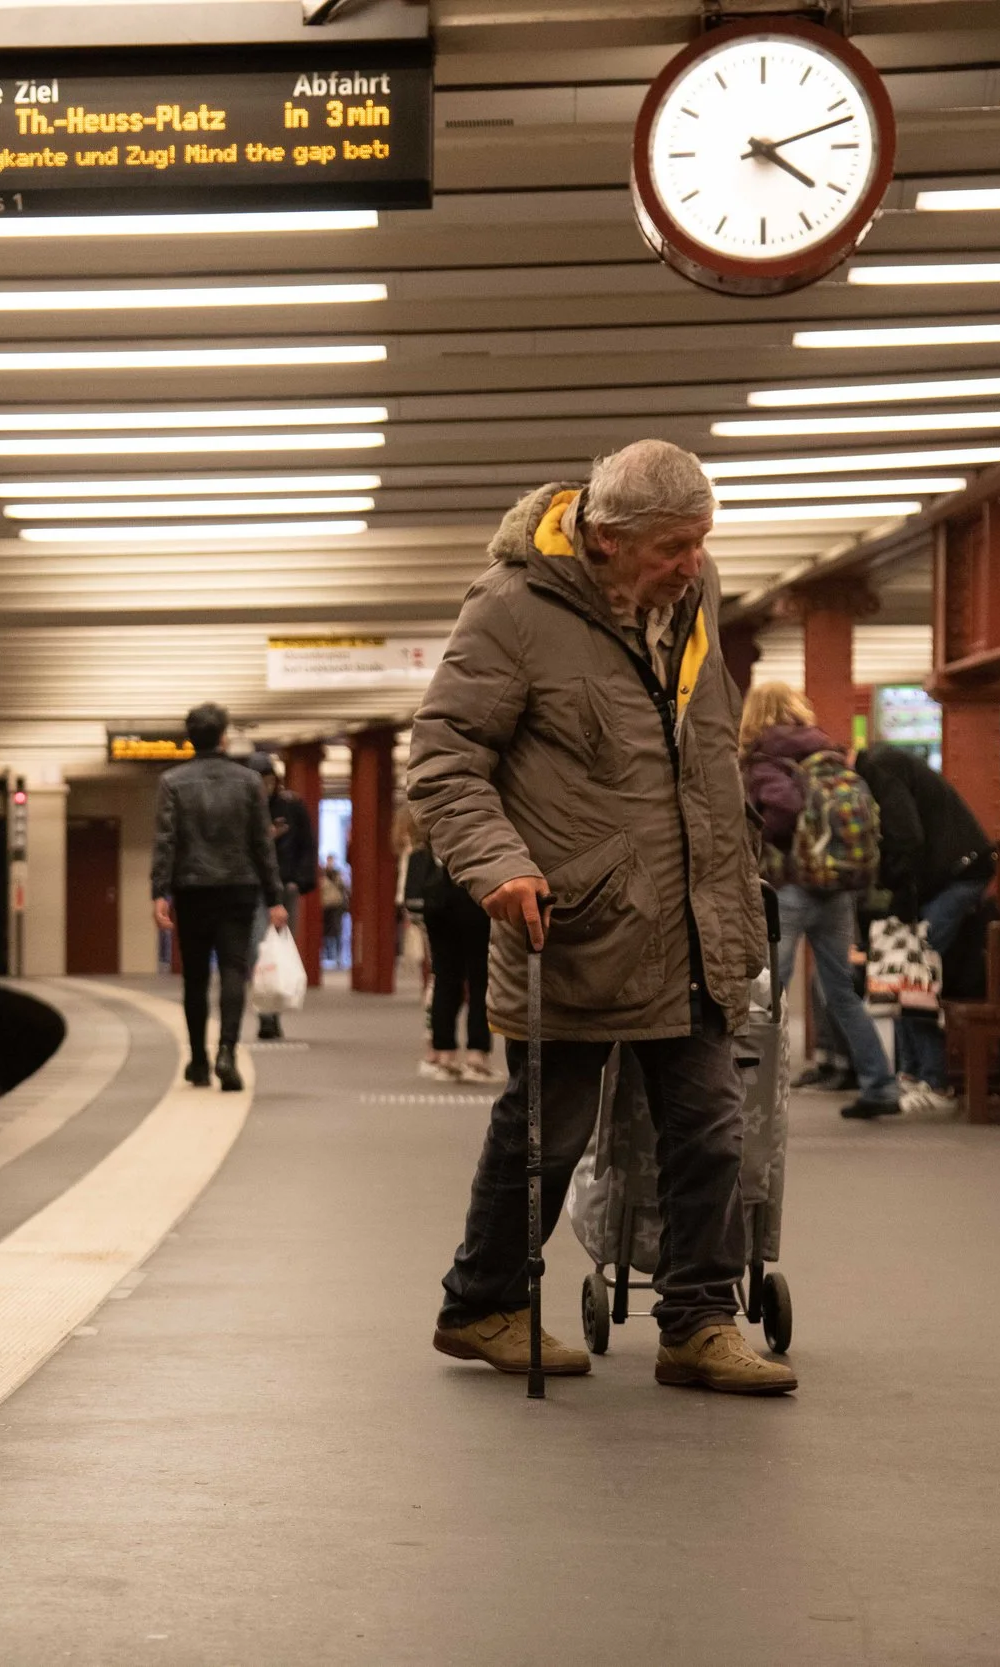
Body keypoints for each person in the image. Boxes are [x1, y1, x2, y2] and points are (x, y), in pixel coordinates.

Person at [407, 438, 794, 1394]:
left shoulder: (691, 600)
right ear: (607, 538)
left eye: (702, 543)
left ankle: (700, 1322)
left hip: (699, 919)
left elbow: (706, 754)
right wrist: (497, 865)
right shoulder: (511, 611)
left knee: (713, 1126)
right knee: (547, 1129)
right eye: (674, 547)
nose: (694, 564)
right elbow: (445, 759)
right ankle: (484, 1303)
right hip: (575, 923)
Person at [738, 681, 900, 1119]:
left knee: (769, 989)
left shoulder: (767, 754)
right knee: (842, 991)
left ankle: (754, 1094)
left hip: (790, 885)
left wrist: (758, 841)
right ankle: (881, 1085)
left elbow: (783, 808)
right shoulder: (826, 750)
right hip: (836, 886)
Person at [855, 743, 996, 1113]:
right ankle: (913, 1073)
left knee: (914, 967)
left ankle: (934, 1081)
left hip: (957, 874)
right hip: (952, 874)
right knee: (904, 966)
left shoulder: (879, 767)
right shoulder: (883, 765)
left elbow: (906, 833)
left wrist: (895, 883)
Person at [152, 704, 287, 1091]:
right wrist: (274, 896)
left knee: (195, 977)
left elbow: (165, 841)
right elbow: (262, 843)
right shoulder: (247, 782)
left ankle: (198, 1060)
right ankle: (227, 1052)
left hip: (192, 890)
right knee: (233, 970)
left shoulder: (172, 782)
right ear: (224, 736)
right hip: (239, 887)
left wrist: (159, 892)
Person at [405, 828, 493, 1081]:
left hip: (437, 907)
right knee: (480, 979)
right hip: (474, 904)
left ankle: (444, 1052)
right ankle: (477, 1054)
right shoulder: (477, 834)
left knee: (445, 978)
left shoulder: (426, 841)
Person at [248, 753, 317, 1040]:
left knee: (280, 948)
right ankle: (266, 1015)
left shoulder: (292, 806)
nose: (265, 786)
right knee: (259, 949)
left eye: (268, 780)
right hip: (254, 889)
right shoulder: (244, 809)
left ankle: (274, 1012)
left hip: (286, 886)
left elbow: (307, 846)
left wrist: (298, 883)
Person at [318, 860, 349, 968]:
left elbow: (345, 889)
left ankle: (337, 956)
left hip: (336, 906)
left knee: (337, 930)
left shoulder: (338, 875)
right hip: (325, 906)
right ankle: (327, 954)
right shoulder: (322, 875)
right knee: (325, 931)